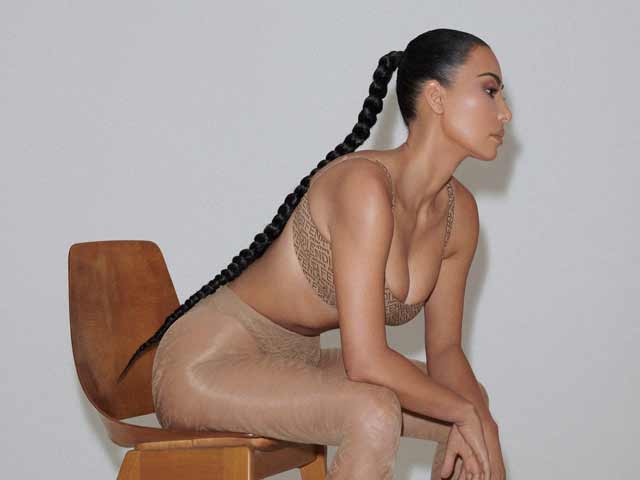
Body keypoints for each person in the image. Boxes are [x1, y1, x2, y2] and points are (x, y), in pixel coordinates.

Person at [119, 28, 512, 480]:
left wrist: (482, 424)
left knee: (468, 410)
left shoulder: (460, 215)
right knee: (377, 411)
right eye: (489, 91)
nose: (505, 113)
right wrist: (464, 413)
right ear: (437, 98)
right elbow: (365, 361)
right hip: (210, 362)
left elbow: (445, 352)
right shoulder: (364, 187)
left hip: (298, 363)